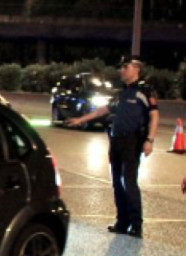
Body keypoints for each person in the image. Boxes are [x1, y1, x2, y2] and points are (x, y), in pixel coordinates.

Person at [68, 54, 159, 238]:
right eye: (120, 67)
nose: (121, 70)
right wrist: (81, 119)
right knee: (117, 182)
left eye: (125, 67)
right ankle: (122, 222)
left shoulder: (145, 91)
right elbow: (105, 109)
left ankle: (136, 225)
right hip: (116, 140)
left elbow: (154, 116)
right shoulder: (121, 92)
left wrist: (149, 140)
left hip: (132, 141)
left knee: (129, 183)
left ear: (136, 69)